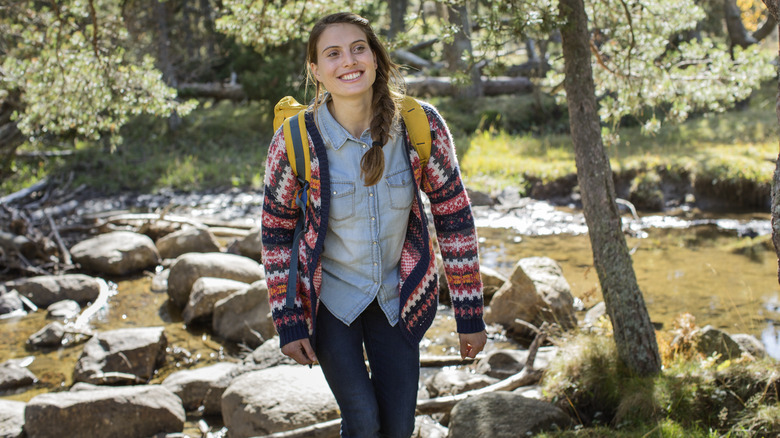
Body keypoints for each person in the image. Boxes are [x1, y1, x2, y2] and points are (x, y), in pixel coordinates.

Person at [261, 11, 487, 438]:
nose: (348, 61)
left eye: (358, 48)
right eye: (333, 53)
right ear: (316, 70)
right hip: (330, 304)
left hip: (397, 300)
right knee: (363, 421)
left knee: (399, 427)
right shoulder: (295, 140)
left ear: (376, 57)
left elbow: (454, 218)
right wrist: (287, 319)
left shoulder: (420, 126)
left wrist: (469, 312)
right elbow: (275, 232)